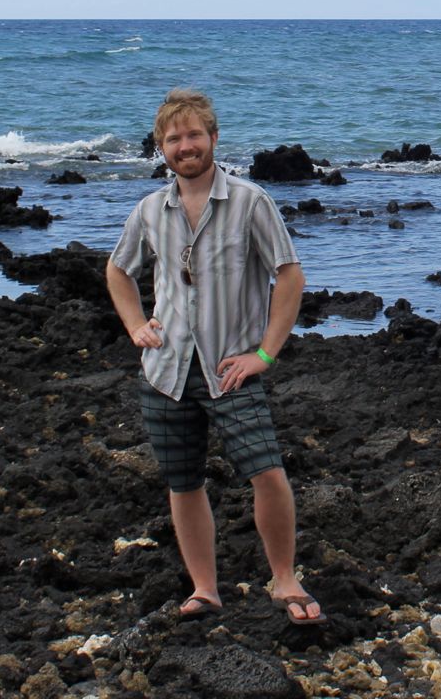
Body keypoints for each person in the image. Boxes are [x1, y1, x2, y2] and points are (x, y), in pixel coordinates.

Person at [105, 88, 324, 624]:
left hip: (231, 370)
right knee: (183, 483)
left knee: (268, 473)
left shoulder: (250, 201)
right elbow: (118, 271)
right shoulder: (149, 211)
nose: (186, 146)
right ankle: (205, 589)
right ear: (162, 148)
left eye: (194, 135)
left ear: (213, 139)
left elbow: (290, 276)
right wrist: (136, 325)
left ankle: (285, 579)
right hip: (166, 371)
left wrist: (265, 356)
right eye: (174, 138)